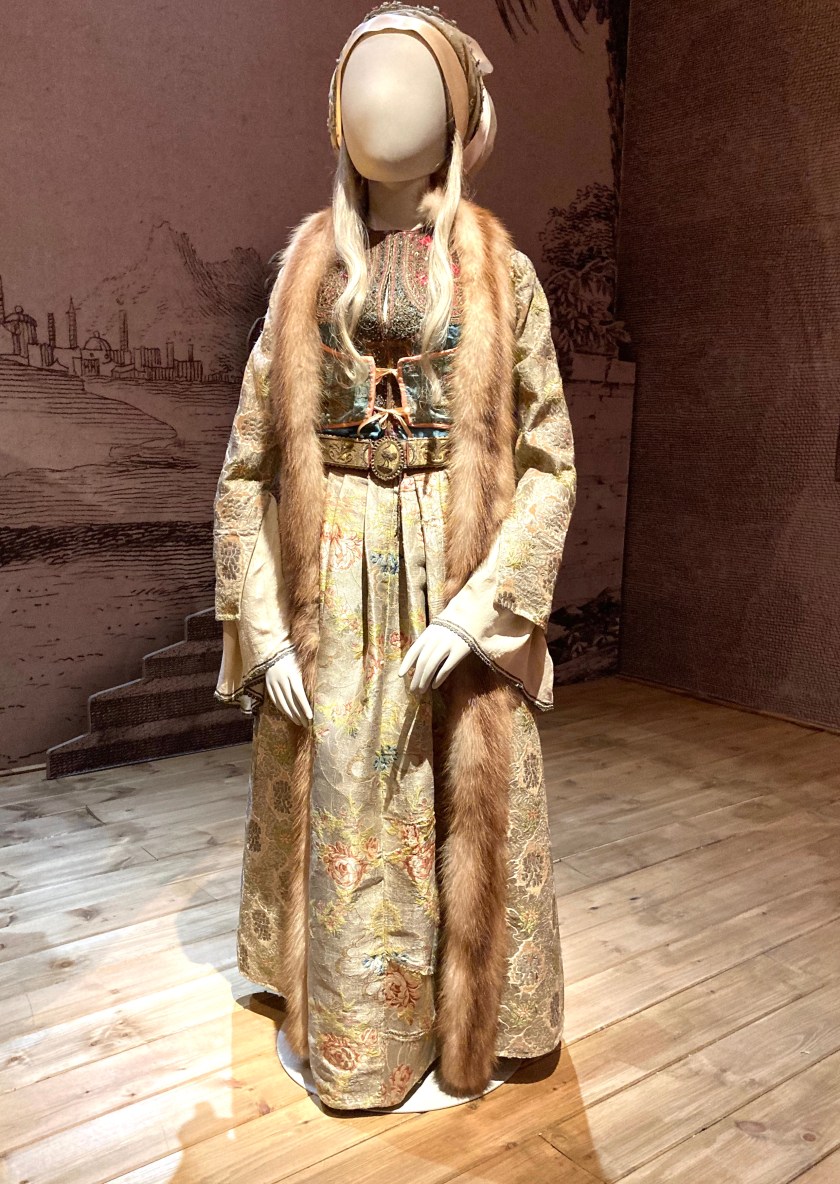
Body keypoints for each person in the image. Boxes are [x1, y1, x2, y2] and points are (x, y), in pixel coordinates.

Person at [212, 1, 576, 1111]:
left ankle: (466, 1021)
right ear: (336, 111)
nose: (383, 100)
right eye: (363, 78)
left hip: (454, 577)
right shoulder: (306, 272)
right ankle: (358, 1032)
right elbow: (247, 465)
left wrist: (483, 608)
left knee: (459, 789)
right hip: (333, 577)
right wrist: (263, 629)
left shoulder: (500, 274)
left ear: (456, 117)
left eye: (410, 80)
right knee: (348, 799)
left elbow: (548, 458)